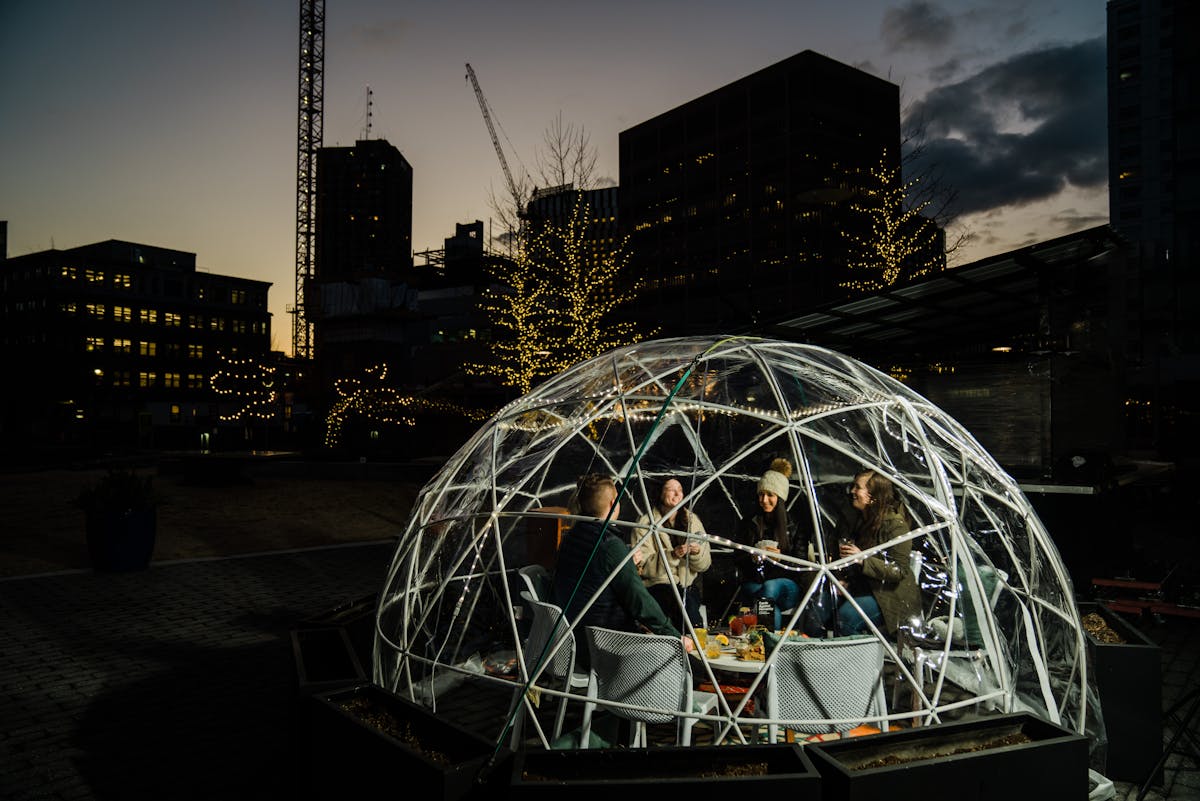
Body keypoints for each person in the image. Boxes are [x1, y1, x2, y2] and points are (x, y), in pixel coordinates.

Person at [552, 474, 693, 669]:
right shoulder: (609, 544)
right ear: (613, 503)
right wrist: (676, 637)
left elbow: (593, 582)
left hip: (574, 642)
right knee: (689, 664)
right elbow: (639, 602)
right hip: (606, 648)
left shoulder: (570, 537)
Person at [834, 469, 921, 636]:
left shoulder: (896, 526)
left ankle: (855, 661)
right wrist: (845, 579)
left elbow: (898, 570)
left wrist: (863, 559)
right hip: (865, 589)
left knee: (846, 617)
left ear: (873, 495)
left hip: (891, 597)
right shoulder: (861, 521)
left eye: (857, 487)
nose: (852, 491)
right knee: (818, 607)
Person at [632, 478, 712, 630]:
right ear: (661, 494)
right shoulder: (646, 524)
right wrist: (672, 555)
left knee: (688, 603)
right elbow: (643, 567)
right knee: (687, 618)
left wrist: (696, 553)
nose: (677, 493)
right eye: (671, 489)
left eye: (680, 489)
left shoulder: (692, 521)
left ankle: (692, 643)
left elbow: (705, 564)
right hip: (659, 589)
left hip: (687, 589)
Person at [735, 457, 802, 632]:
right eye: (761, 494)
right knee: (772, 607)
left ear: (780, 498)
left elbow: (801, 563)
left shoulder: (794, 525)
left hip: (786, 587)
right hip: (756, 584)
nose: (764, 500)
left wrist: (778, 558)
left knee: (770, 587)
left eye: (770, 495)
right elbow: (737, 559)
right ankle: (768, 647)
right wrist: (753, 559)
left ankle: (762, 647)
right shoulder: (749, 523)